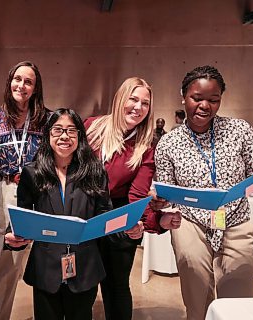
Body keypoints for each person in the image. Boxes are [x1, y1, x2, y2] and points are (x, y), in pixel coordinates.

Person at [155, 65, 253, 320]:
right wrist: (159, 202)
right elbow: (166, 194)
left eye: (213, 100)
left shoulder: (240, 130)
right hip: (190, 222)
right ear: (183, 96)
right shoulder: (168, 143)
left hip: (235, 219)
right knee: (196, 292)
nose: (205, 106)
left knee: (239, 299)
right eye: (197, 98)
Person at [85, 77, 181, 320]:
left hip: (119, 214)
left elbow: (137, 194)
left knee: (116, 285)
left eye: (145, 103)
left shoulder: (146, 146)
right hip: (83, 213)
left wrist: (153, 222)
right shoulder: (91, 127)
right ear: (120, 99)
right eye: (134, 99)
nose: (138, 107)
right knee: (82, 286)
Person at [5, 108, 112, 320]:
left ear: (80, 136)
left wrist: (129, 228)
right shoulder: (32, 173)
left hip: (85, 265)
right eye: (58, 130)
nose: (65, 136)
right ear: (48, 135)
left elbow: (104, 213)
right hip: (46, 265)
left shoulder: (94, 171)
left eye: (72, 130)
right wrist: (12, 235)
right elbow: (24, 214)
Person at [0, 61, 50, 320]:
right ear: (9, 81)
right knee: (5, 263)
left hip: (42, 191)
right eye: (17, 79)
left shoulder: (46, 118)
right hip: (11, 190)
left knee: (46, 259)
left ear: (35, 88)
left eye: (28, 81)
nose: (21, 85)